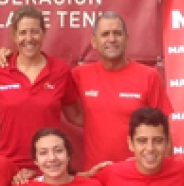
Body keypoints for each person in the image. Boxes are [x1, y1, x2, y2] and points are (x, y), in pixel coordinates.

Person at [0, 6, 78, 171]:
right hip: (9, 166)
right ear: (14, 36)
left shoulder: (60, 70)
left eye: (34, 31)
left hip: (50, 166)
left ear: (43, 34)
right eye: (23, 32)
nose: (29, 38)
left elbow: (76, 116)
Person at [70, 12, 173, 169]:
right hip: (96, 175)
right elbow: (67, 108)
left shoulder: (149, 76)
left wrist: (166, 172)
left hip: (137, 174)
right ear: (94, 42)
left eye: (117, 33)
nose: (111, 39)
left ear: (126, 40)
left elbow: (164, 131)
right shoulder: (79, 75)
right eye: (105, 34)